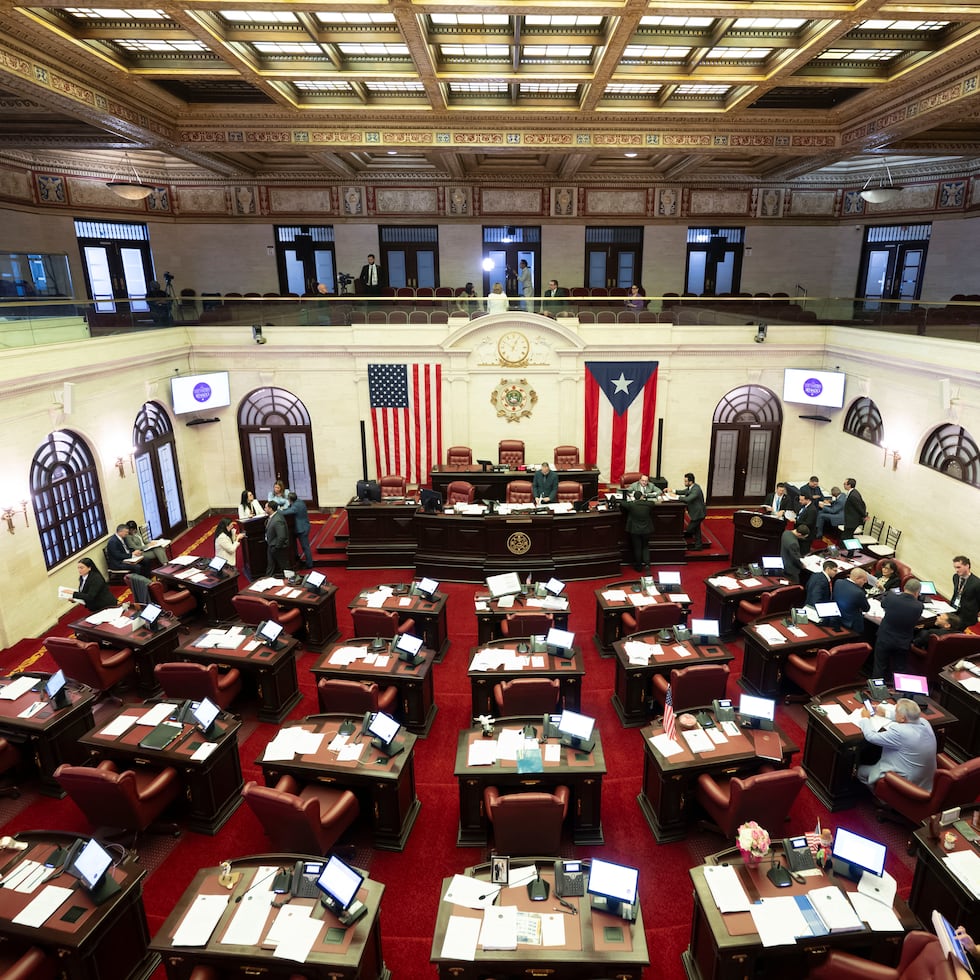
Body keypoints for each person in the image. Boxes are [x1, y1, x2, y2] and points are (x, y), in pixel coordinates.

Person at [857, 697, 937, 791]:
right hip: (926, 779)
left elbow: (870, 737)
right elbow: (905, 718)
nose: (895, 713)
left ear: (903, 718)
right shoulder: (925, 722)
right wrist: (885, 713)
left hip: (906, 781)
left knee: (861, 772)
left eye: (896, 712)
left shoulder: (900, 732)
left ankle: (882, 799)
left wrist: (865, 718)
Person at [872, 578, 924, 680]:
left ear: (904, 588)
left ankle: (876, 691)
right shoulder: (919, 606)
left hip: (885, 637)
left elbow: (883, 604)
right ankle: (898, 692)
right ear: (918, 592)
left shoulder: (892, 598)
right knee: (900, 669)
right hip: (902, 642)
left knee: (879, 666)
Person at [622, 490, 655, 574]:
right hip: (646, 530)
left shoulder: (631, 505)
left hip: (635, 530)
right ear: (641, 497)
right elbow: (653, 503)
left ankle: (639, 566)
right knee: (645, 547)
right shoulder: (648, 504)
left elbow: (622, 503)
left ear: (634, 497)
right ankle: (647, 564)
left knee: (637, 548)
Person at [672, 472, 706, 550]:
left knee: (689, 529)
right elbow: (684, 492)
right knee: (697, 529)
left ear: (691, 482)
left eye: (686, 481)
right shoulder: (692, 487)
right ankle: (698, 546)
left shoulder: (696, 490)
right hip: (696, 513)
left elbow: (688, 499)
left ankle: (693, 544)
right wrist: (673, 490)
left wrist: (676, 497)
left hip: (698, 513)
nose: (684, 483)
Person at [833, 568, 870, 633]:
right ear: (857, 579)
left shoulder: (838, 582)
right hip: (852, 624)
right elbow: (866, 609)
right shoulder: (859, 592)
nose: (865, 582)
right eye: (864, 580)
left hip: (838, 618)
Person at [284, 490, 313, 569]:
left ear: (290, 500)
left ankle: (309, 564)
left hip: (302, 529)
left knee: (305, 547)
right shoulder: (300, 502)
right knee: (303, 546)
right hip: (304, 525)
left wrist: (278, 511)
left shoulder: (296, 506)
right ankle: (300, 559)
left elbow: (286, 513)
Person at [951, 555, 980, 628]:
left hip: (967, 616)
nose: (956, 570)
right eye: (955, 567)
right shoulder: (955, 577)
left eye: (958, 567)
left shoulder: (977, 583)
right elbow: (956, 593)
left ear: (967, 566)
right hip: (954, 611)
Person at [264, 500, 289, 577]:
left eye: (266, 507)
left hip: (277, 548)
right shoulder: (272, 517)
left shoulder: (277, 520)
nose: (264, 509)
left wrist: (276, 547)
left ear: (270, 509)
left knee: (285, 567)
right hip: (271, 545)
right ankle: (267, 580)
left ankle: (291, 581)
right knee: (270, 566)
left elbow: (282, 536)